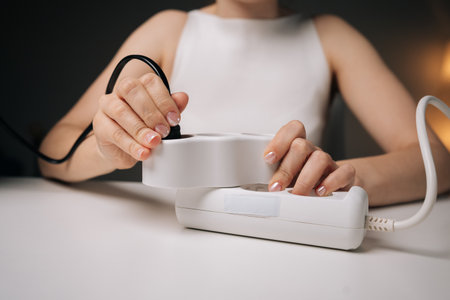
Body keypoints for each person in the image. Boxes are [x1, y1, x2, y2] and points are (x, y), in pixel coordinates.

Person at [38, 0, 450, 206]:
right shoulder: (169, 30)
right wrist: (109, 149)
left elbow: (436, 161)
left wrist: (336, 180)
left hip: (293, 248)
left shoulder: (330, 36)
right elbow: (53, 150)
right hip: (174, 249)